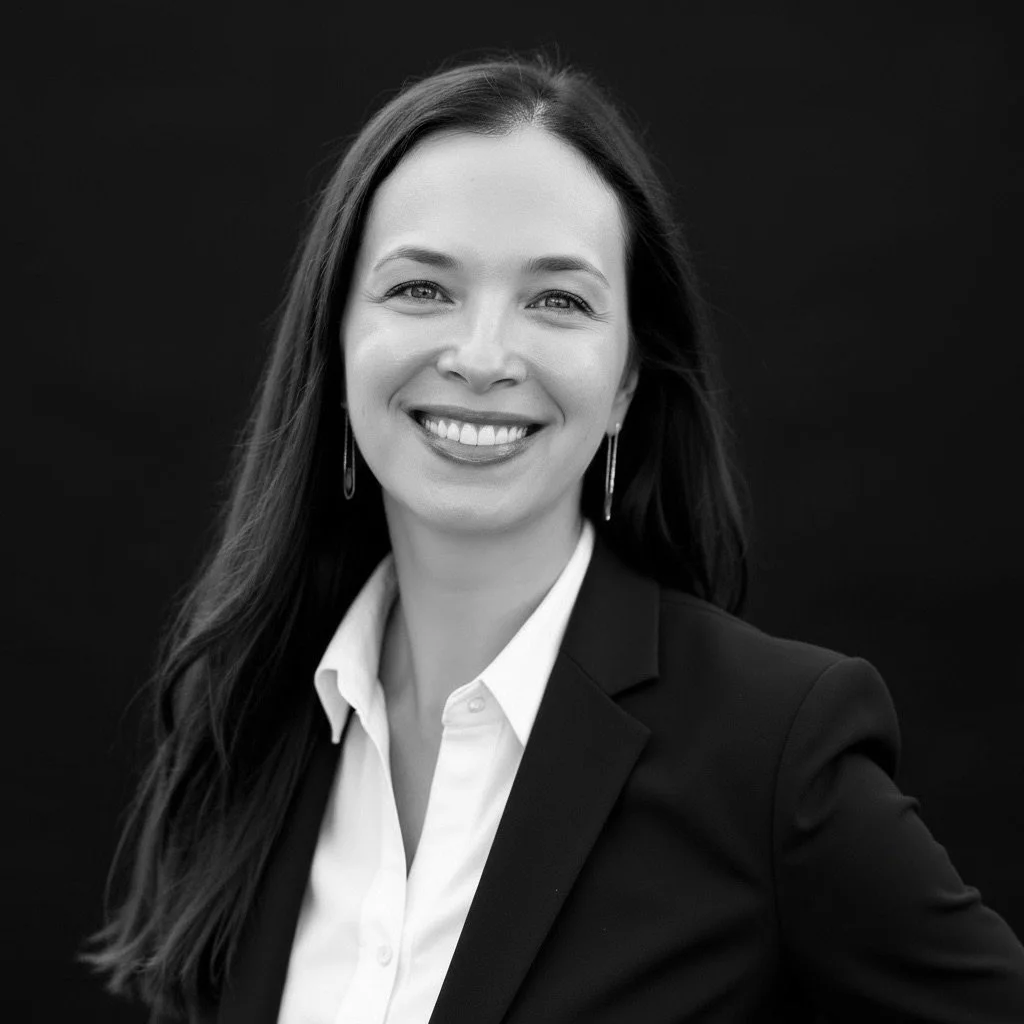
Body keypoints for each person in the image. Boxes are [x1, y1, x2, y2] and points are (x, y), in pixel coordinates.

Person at [80, 52, 1024, 1023]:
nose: (483, 356)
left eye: (557, 300)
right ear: (335, 339)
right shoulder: (247, 710)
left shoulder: (770, 751)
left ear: (624, 382)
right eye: (420, 289)